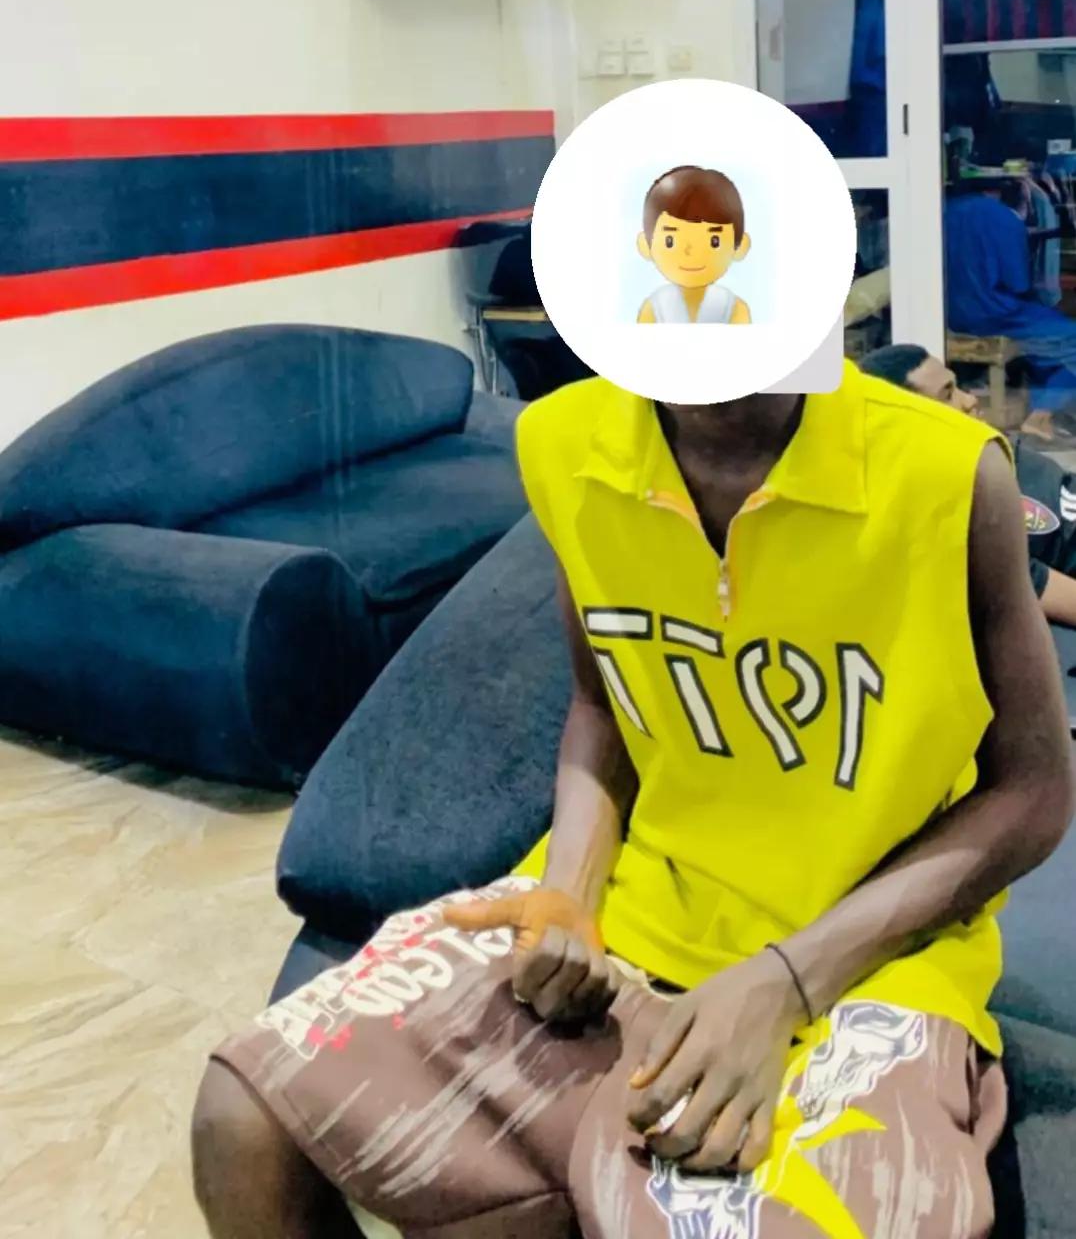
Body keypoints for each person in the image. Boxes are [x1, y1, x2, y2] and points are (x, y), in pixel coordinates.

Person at [192, 361, 1074, 1239]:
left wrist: (786, 983)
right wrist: (570, 896)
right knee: (243, 1119)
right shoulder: (564, 440)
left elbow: (1035, 787)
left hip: (872, 955)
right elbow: (601, 702)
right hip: (638, 906)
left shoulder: (949, 473)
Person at [861, 342, 1076, 630]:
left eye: (958, 386)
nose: (970, 400)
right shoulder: (939, 513)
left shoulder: (1001, 458)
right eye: (948, 395)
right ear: (908, 420)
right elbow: (1048, 591)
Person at [945, 185, 1076, 440]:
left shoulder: (939, 212)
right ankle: (1042, 416)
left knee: (1047, 344)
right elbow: (1018, 283)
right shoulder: (1003, 218)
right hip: (997, 314)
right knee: (1069, 338)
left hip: (951, 314)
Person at [637, 165, 752, 325]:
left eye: (714, 242)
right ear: (646, 245)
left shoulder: (733, 307)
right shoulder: (655, 306)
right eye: (670, 241)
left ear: (739, 247)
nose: (690, 252)